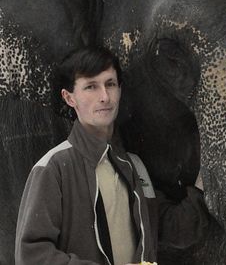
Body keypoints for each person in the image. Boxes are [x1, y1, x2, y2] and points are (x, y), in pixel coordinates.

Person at [15, 46, 209, 264]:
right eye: (91, 87)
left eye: (110, 84)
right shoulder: (52, 168)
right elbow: (31, 254)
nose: (105, 97)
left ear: (120, 90)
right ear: (69, 98)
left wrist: (204, 185)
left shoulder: (134, 166)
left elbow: (173, 229)